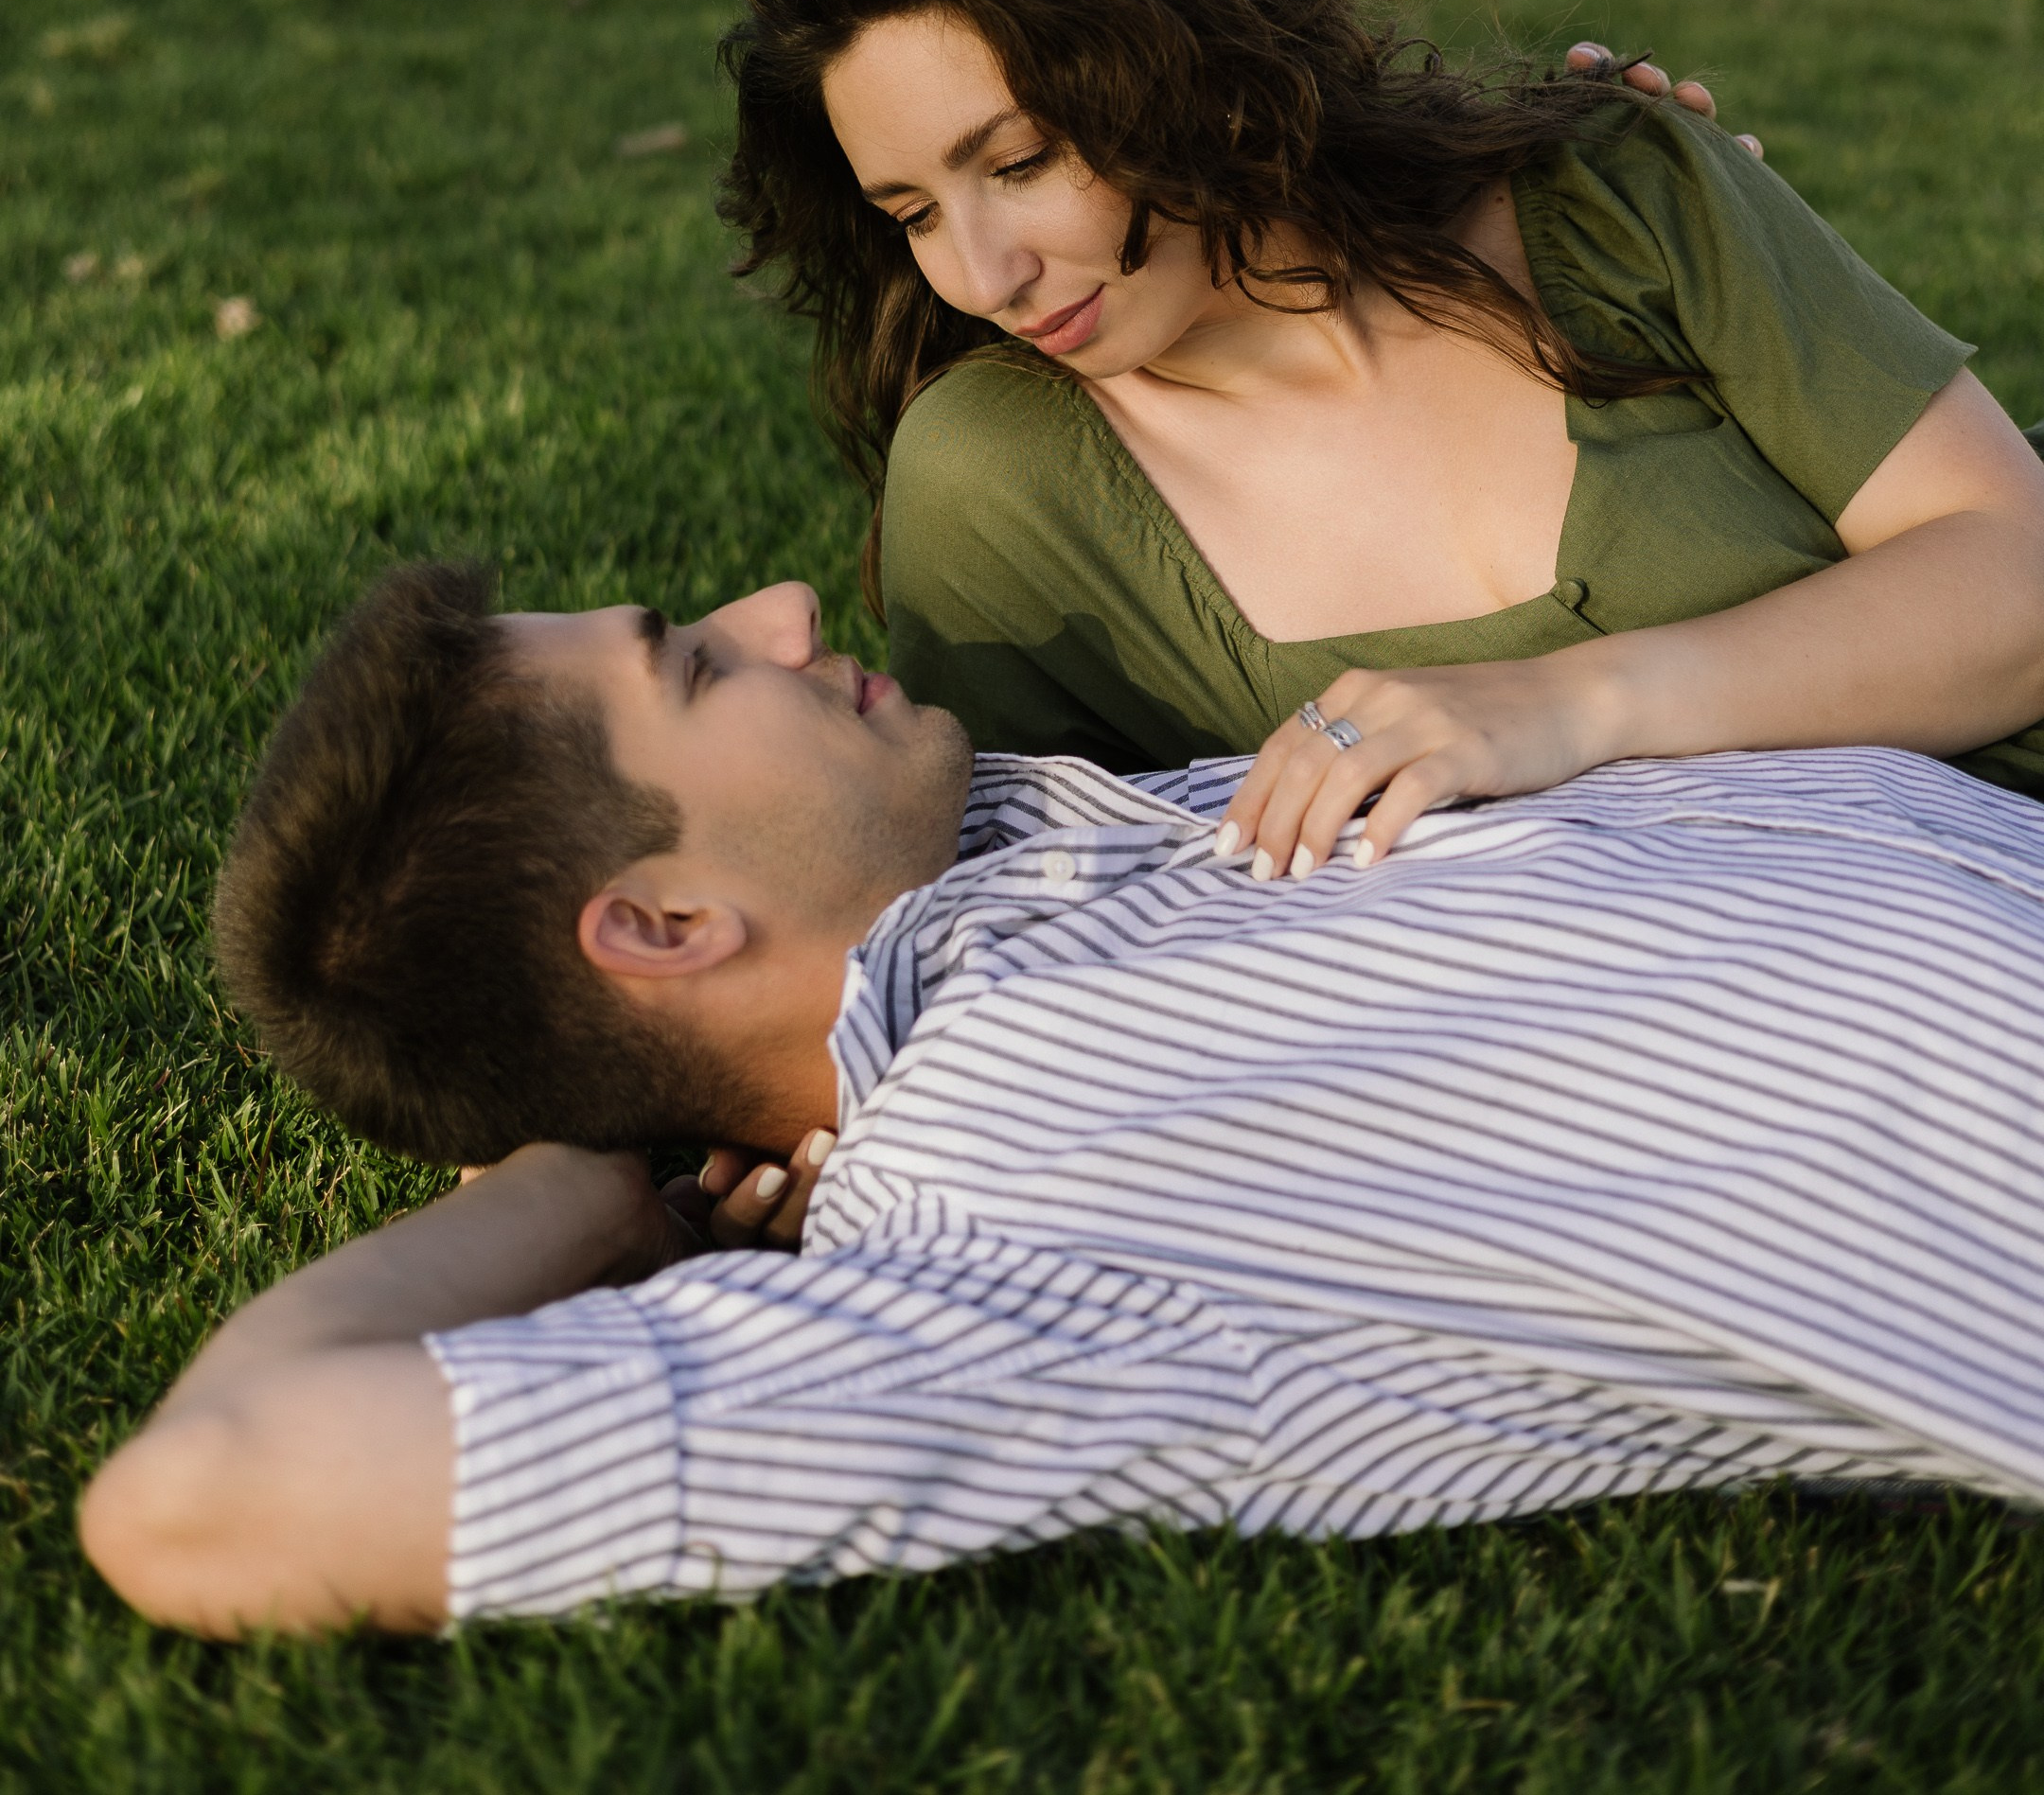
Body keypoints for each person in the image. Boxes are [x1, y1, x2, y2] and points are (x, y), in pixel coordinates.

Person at [79, 562, 2044, 1635]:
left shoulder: (1060, 831)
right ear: (666, 921)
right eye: (695, 660)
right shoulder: (1002, 1230)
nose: (778, 605)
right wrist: (584, 1194)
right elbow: (206, 1498)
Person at [720, 0, 2044, 871]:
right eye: (913, 215)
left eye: (1020, 164)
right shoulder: (1002, 492)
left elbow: (2016, 575)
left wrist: (1567, 709)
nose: (979, 274)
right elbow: (1036, 919)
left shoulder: (1610, 191)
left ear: (1194, 67)